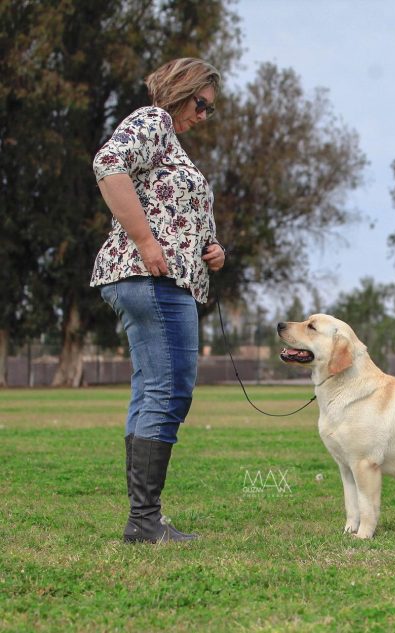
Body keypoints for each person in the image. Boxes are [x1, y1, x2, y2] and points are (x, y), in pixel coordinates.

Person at [91, 58, 225, 543]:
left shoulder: (171, 143)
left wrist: (212, 249)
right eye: (202, 104)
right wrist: (146, 242)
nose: (204, 115)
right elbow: (108, 165)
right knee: (170, 393)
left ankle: (144, 518)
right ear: (181, 90)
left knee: (151, 392)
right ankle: (144, 522)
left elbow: (175, 210)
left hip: (160, 279)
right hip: (153, 279)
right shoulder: (155, 121)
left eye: (209, 109)